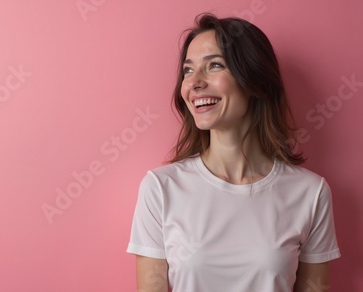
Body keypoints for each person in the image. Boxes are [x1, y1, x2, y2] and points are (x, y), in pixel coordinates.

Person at [126, 13, 341, 291]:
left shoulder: (310, 193)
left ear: (254, 81)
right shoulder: (161, 188)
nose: (194, 83)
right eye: (188, 71)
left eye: (214, 65)